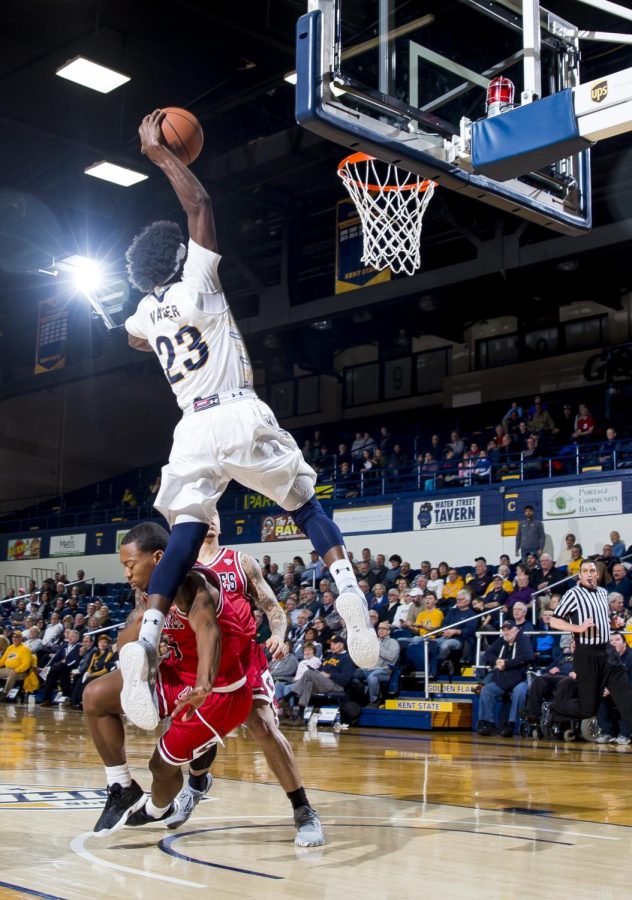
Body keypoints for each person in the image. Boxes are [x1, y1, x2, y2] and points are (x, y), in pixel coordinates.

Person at [120, 110, 377, 727]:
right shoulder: (197, 282)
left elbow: (134, 337)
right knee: (305, 504)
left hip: (191, 429)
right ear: (180, 256)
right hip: (236, 410)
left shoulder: (144, 315)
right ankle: (348, 596)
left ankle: (149, 634)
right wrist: (164, 157)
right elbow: (201, 203)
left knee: (185, 529)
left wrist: (154, 326)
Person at [84, 522, 253, 838]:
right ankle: (121, 786)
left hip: (218, 691)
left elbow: (207, 630)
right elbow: (124, 642)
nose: (126, 574)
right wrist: (147, 632)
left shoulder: (193, 583)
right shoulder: (147, 591)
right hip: (176, 673)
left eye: (130, 565)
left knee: (160, 767)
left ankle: (157, 809)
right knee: (95, 696)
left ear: (159, 558)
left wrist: (203, 683)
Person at [195, 513, 324, 845]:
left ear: (222, 523)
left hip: (242, 659)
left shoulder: (241, 562)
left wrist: (279, 634)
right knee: (190, 731)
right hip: (202, 662)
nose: (208, 519)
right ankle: (195, 785)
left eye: (214, 514)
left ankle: (303, 810)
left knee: (264, 726)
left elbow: (273, 607)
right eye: (201, 513)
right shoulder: (181, 565)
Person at [548, 560, 632, 729]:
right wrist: (577, 628)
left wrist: (613, 624)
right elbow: (554, 621)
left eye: (592, 570)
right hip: (587, 654)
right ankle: (552, 708)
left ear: (597, 574)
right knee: (588, 710)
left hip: (608, 652)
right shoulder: (573, 594)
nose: (589, 574)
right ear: (580, 575)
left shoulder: (602, 592)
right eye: (585, 571)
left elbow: (605, 618)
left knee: (626, 698)